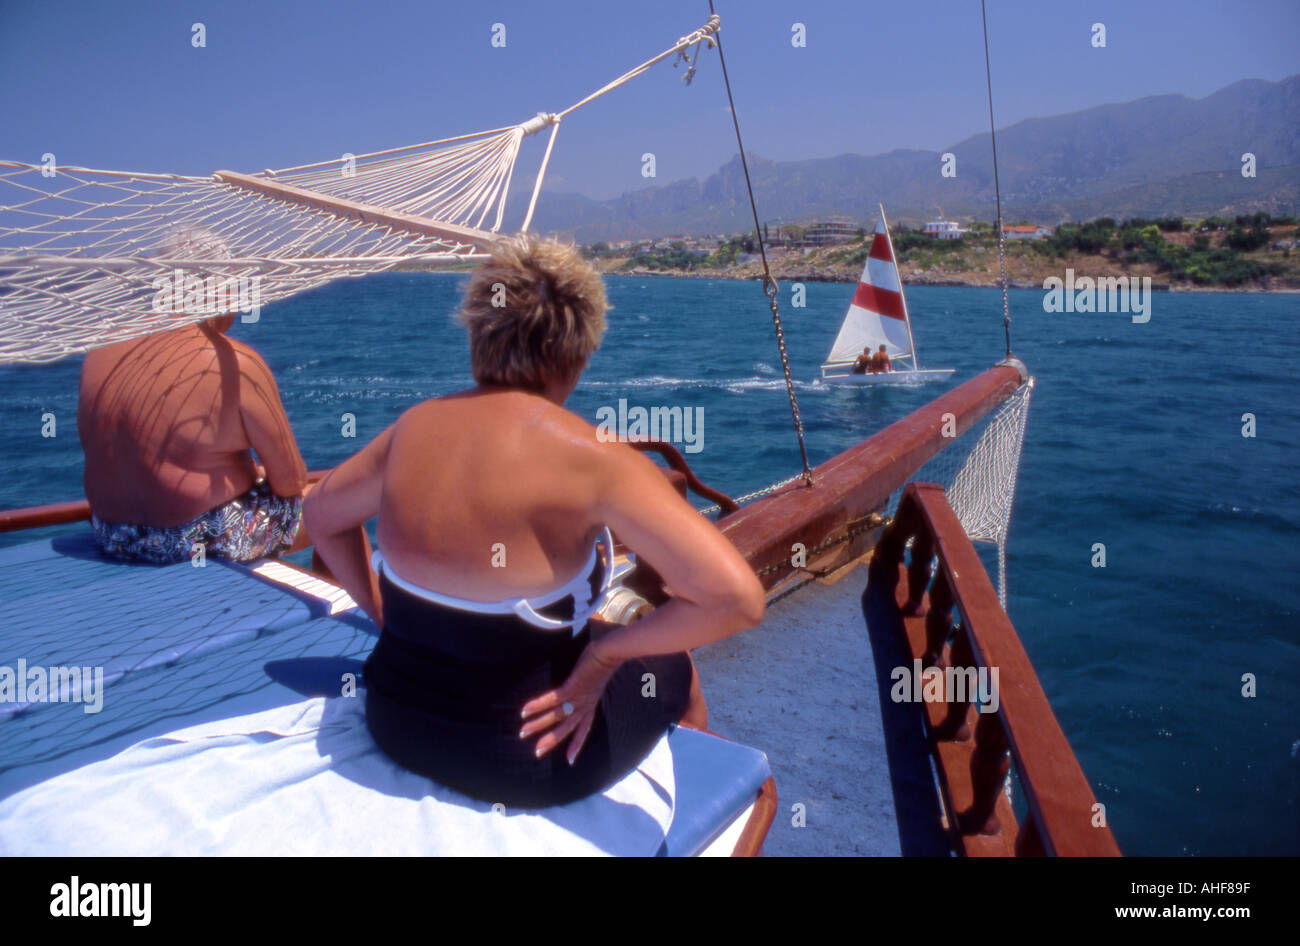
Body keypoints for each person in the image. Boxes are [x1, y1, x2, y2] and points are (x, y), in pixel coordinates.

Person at [304, 234, 766, 809]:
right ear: (576, 354)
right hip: (524, 762)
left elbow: (320, 515)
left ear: (478, 334)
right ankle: (705, 803)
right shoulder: (599, 460)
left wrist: (381, 613)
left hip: (395, 722)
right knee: (673, 664)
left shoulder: (412, 428)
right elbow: (736, 601)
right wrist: (602, 660)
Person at [77, 267, 311, 565]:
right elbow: (291, 481)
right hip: (193, 541)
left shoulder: (100, 351)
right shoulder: (234, 361)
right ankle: (369, 608)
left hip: (114, 535)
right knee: (334, 502)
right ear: (219, 288)